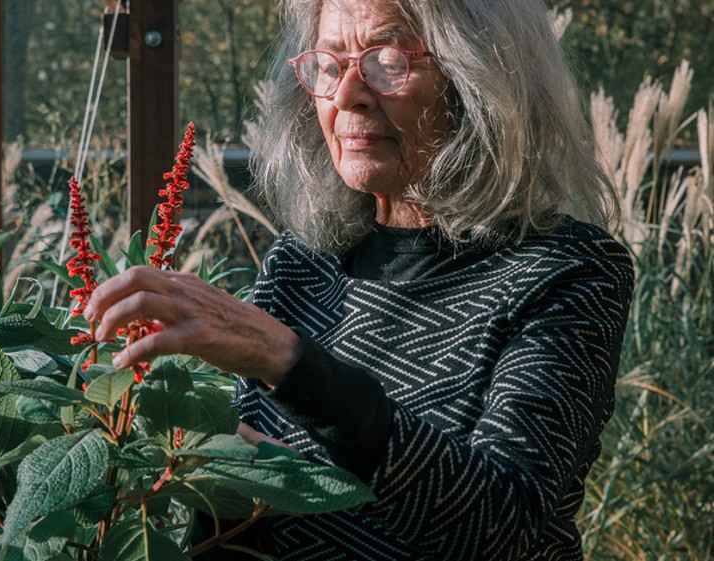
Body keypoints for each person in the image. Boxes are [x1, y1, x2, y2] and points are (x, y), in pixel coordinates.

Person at [83, 0, 635, 559]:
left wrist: (291, 363)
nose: (348, 94)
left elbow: (501, 521)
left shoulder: (567, 272)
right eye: (329, 63)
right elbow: (245, 516)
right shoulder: (302, 265)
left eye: (388, 60)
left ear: (481, 78)